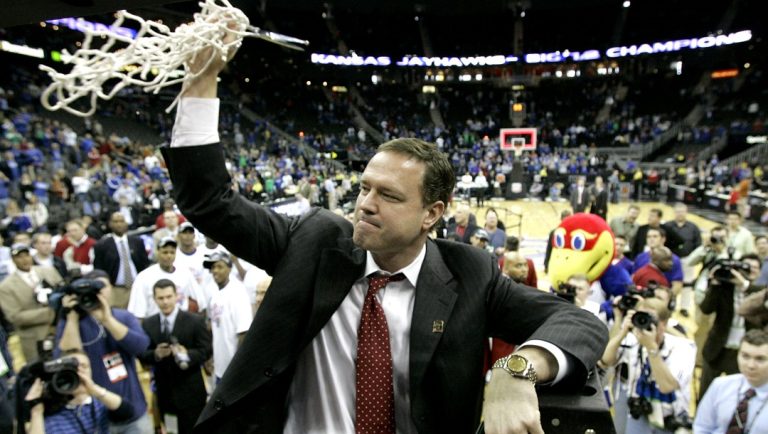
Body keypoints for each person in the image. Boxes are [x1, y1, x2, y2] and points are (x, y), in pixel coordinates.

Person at [159, 44, 607, 434]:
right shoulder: (313, 242)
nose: (366, 204)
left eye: (388, 195)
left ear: (432, 214)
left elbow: (583, 324)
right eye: (364, 188)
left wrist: (515, 370)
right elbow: (209, 201)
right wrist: (203, 77)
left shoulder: (470, 274)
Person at [56, 270, 152, 433]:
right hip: (96, 416)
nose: (98, 293)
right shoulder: (71, 322)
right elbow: (62, 358)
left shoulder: (123, 317)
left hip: (132, 409)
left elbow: (141, 347)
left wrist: (107, 319)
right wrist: (71, 317)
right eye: (93, 290)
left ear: (111, 289)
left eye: (102, 287)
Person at [601, 298, 696, 434]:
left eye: (650, 318)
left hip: (670, 419)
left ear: (663, 324)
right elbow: (606, 360)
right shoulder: (633, 341)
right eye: (640, 316)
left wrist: (651, 348)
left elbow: (667, 386)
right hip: (640, 412)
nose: (644, 322)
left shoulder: (683, 348)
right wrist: (623, 332)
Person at [138, 279, 212, 434]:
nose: (165, 302)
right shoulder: (148, 324)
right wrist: (156, 354)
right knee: (171, 431)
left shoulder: (195, 321)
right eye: (161, 298)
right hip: (165, 394)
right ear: (154, 299)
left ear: (176, 296)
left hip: (191, 394)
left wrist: (187, 354)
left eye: (168, 297)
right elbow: (142, 354)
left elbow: (206, 350)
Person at [698, 253, 766, 398]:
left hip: (745, 353)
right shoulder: (724, 288)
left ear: (760, 271)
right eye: (746, 267)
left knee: (737, 396)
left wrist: (744, 286)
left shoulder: (762, 292)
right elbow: (705, 309)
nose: (750, 271)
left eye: (754, 268)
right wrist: (715, 285)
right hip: (717, 349)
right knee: (705, 393)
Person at [23, 351, 136, 434]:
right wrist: (36, 412)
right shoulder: (51, 411)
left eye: (83, 367)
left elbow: (127, 412)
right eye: (72, 368)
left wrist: (95, 390)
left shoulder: (100, 403)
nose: (78, 372)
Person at [694, 329, 768, 433]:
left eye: (760, 359)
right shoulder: (720, 385)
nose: (751, 365)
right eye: (745, 356)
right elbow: (702, 427)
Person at [0, 244, 62, 362]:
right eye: (19, 257)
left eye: (26, 255)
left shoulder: (48, 271)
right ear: (13, 260)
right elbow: (15, 317)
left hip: (60, 331)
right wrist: (50, 312)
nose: (24, 259)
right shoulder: (5, 287)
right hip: (33, 339)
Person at [202, 252, 252, 383]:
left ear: (229, 268)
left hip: (235, 370)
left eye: (219, 266)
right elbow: (216, 332)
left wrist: (238, 367)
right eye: (212, 267)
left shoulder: (237, 292)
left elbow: (244, 332)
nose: (215, 271)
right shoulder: (215, 296)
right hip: (221, 368)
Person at [127, 237, 202, 320]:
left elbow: (200, 302)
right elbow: (137, 314)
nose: (169, 256)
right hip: (155, 325)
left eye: (172, 252)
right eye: (165, 252)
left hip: (181, 324)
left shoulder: (185, 273)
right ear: (157, 252)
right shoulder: (144, 277)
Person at [93, 212, 151, 309]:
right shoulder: (102, 245)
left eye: (121, 221)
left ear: (126, 223)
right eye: (115, 221)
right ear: (110, 224)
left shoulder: (137, 242)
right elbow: (99, 269)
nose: (119, 224)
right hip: (116, 289)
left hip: (136, 287)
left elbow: (145, 263)